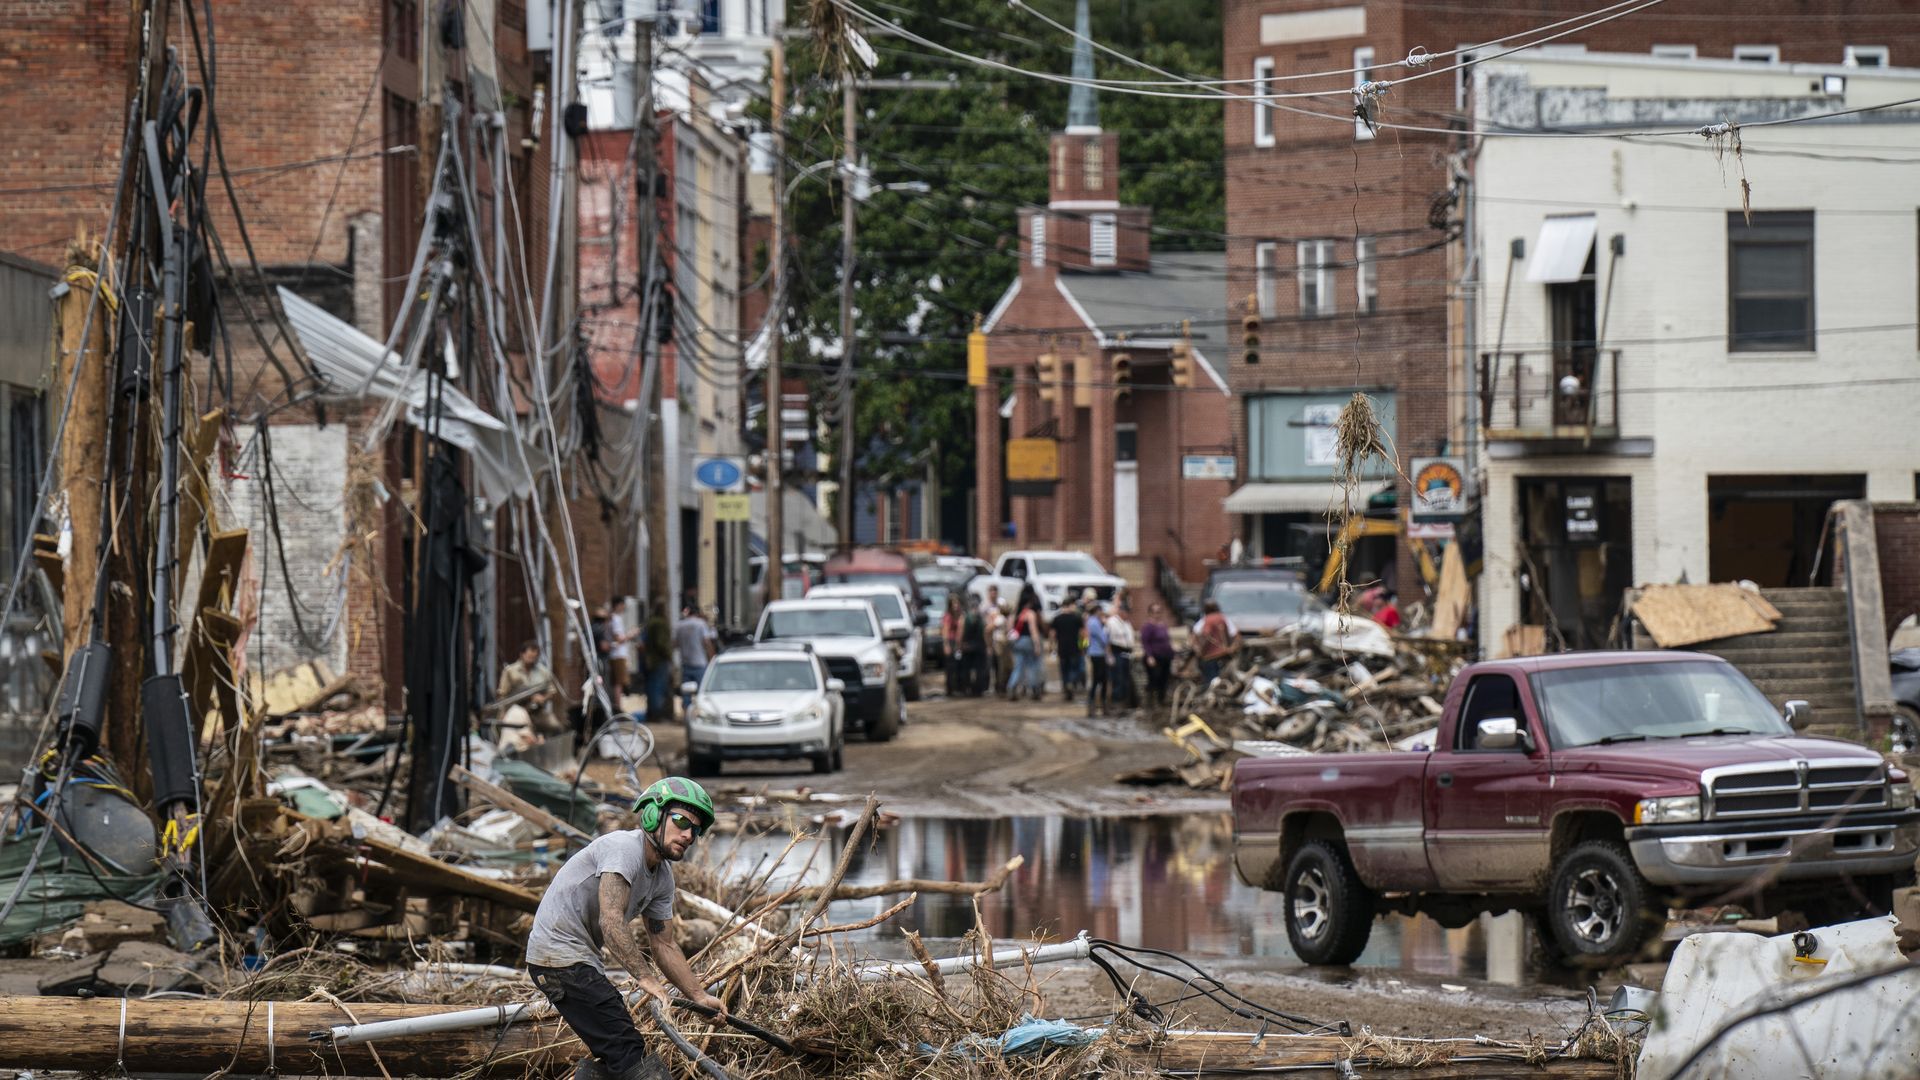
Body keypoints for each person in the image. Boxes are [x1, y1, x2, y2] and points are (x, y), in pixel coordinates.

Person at [526, 777, 727, 1080]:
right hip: (557, 957)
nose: (688, 835)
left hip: (576, 961)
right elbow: (611, 920)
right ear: (652, 815)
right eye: (681, 821)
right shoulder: (624, 849)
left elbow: (664, 944)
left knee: (615, 1053)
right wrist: (645, 978)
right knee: (625, 1047)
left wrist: (698, 996)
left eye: (695, 830)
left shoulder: (662, 878)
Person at [497, 640, 563, 755]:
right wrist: (503, 712)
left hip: (537, 711)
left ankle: (551, 755)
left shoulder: (543, 672)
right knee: (514, 734)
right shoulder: (510, 671)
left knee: (555, 726)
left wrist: (543, 698)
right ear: (522, 654)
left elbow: (551, 691)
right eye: (529, 656)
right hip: (517, 710)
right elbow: (503, 694)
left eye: (534, 657)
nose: (532, 660)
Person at [673, 604, 717, 715]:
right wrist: (712, 657)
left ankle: (686, 715)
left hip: (685, 663)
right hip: (700, 663)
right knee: (702, 692)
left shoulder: (680, 625)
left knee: (686, 693)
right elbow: (707, 643)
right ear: (697, 613)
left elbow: (675, 644)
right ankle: (701, 714)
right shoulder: (701, 624)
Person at [1006, 586, 1046, 700]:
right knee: (1032, 666)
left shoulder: (1016, 613)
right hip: (1028, 641)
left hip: (1017, 642)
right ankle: (1034, 689)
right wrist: (1037, 645)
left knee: (1018, 666)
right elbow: (1033, 630)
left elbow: (1009, 629)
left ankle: (1012, 687)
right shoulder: (1030, 613)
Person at [1193, 599, 1239, 686]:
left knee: (1210, 679)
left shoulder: (1205, 620)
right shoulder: (1223, 618)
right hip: (1224, 654)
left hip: (1208, 656)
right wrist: (1232, 648)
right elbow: (1235, 634)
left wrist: (1198, 650)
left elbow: (1195, 634)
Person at [642, 601, 674, 723]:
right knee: (658, 688)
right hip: (658, 660)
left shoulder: (650, 622)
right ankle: (657, 715)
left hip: (649, 659)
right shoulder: (660, 623)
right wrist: (669, 655)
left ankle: (652, 713)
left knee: (652, 687)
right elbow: (661, 643)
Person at [1050, 599, 1085, 702]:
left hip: (1062, 648)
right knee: (1074, 669)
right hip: (1075, 648)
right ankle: (1070, 683)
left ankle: (1066, 686)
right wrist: (1084, 646)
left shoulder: (1057, 619)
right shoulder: (1077, 618)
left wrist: (1052, 647)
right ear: (1070, 605)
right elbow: (1083, 634)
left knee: (1064, 669)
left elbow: (1052, 635)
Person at [1141, 604, 1175, 708]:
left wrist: (1172, 652)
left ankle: (1161, 701)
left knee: (1164, 679)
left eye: (1159, 612)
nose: (1157, 615)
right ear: (1150, 613)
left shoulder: (1162, 625)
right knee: (1154, 678)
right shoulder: (1148, 627)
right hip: (1154, 657)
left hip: (1165, 656)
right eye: (1155, 612)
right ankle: (1150, 702)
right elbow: (1145, 643)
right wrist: (1150, 656)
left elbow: (1167, 641)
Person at [1106, 602, 1137, 712]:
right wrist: (1109, 655)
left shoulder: (1126, 623)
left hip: (1126, 652)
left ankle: (1124, 700)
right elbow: (1107, 640)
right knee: (1117, 678)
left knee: (1125, 678)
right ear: (1121, 612)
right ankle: (1116, 701)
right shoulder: (1112, 622)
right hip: (1116, 652)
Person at [1084, 598, 1110, 717]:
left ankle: (1097, 705)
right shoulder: (1094, 622)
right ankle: (1095, 705)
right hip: (1097, 653)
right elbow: (1103, 638)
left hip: (1095, 653)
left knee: (1100, 679)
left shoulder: (1091, 621)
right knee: (1099, 679)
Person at [959, 594, 989, 696]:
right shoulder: (981, 618)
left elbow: (960, 633)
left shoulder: (965, 617)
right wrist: (988, 646)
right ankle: (978, 690)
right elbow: (985, 632)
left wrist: (960, 645)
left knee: (966, 669)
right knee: (979, 669)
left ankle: (967, 689)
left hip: (968, 646)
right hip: (979, 646)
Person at [607, 597, 633, 699]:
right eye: (622, 605)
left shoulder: (611, 618)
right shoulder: (616, 619)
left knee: (617, 683)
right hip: (618, 654)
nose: (624, 607)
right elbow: (618, 639)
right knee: (619, 683)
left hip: (614, 654)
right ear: (617, 605)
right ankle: (618, 707)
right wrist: (630, 635)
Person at [941, 595, 964, 697]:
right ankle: (950, 689)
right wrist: (946, 645)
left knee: (959, 666)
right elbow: (945, 631)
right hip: (950, 641)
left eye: (957, 603)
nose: (956, 606)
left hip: (958, 642)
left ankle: (958, 688)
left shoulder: (960, 615)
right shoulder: (948, 616)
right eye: (953, 603)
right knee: (950, 667)